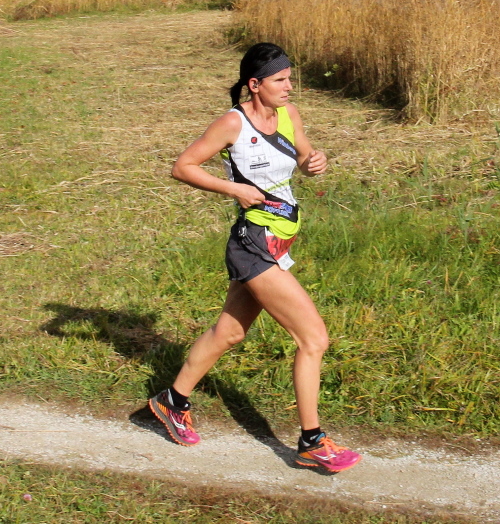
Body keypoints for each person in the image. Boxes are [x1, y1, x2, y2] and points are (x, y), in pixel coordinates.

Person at [149, 42, 361, 473]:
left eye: (289, 78)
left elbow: (303, 156)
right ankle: (311, 441)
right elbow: (183, 166)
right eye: (280, 80)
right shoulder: (233, 123)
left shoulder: (289, 114)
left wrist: (313, 163)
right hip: (254, 244)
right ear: (255, 84)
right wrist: (234, 189)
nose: (289, 86)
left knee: (228, 333)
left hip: (278, 241)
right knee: (313, 338)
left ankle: (172, 401)